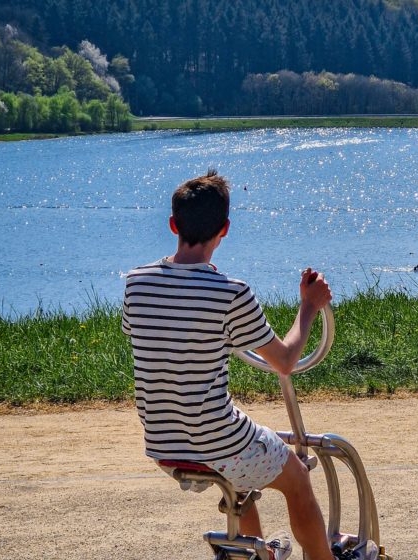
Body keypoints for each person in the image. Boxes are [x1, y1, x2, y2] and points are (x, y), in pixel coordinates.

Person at [121, 170, 334, 560]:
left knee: (241, 475)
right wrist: (309, 306)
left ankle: (256, 553)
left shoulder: (136, 283)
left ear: (173, 225)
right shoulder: (230, 293)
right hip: (216, 440)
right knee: (297, 478)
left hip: (164, 445)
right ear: (225, 229)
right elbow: (285, 360)